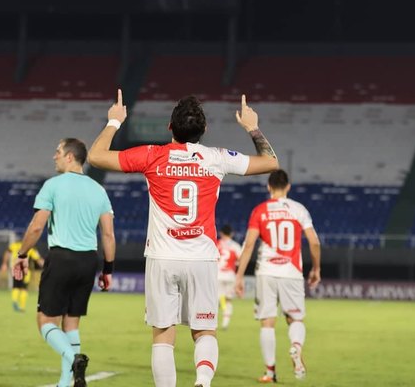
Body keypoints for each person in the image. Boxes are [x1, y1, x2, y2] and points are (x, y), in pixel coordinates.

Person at [89, 89, 279, 387]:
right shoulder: (216, 158)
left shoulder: (151, 155)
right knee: (204, 332)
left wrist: (114, 122)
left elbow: (95, 156)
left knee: (163, 335)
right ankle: (202, 381)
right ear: (204, 130)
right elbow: (270, 163)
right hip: (201, 257)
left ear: (169, 128)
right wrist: (252, 127)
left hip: (162, 258)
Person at [12, 138, 116, 387]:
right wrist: (108, 269)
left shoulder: (53, 186)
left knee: (46, 322)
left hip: (61, 258)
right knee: (71, 322)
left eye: (58, 152)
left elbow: (37, 226)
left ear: (70, 157)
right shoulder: (98, 190)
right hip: (88, 261)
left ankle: (73, 359)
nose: (54, 156)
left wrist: (23, 254)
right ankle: (64, 382)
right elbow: (108, 234)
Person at [235, 170, 321, 383]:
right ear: (288, 187)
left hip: (266, 272)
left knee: (267, 322)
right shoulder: (298, 209)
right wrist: (316, 269)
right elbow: (314, 242)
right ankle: (296, 347)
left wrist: (239, 276)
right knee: (295, 318)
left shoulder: (260, 211)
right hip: (291, 272)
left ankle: (270, 372)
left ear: (268, 187)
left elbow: (248, 246)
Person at [0, 240, 44, 312]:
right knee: (24, 288)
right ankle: (22, 307)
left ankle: (14, 302)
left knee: (16, 286)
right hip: (26, 270)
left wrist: (4, 263)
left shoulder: (14, 245)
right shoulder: (31, 248)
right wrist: (46, 267)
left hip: (15, 268)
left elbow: (7, 252)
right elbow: (38, 259)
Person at [216, 224, 242, 330]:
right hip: (230, 276)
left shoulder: (217, 244)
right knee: (228, 300)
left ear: (221, 233)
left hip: (218, 275)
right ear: (231, 234)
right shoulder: (235, 246)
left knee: (217, 299)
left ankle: (214, 323)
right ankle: (225, 323)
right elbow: (240, 261)